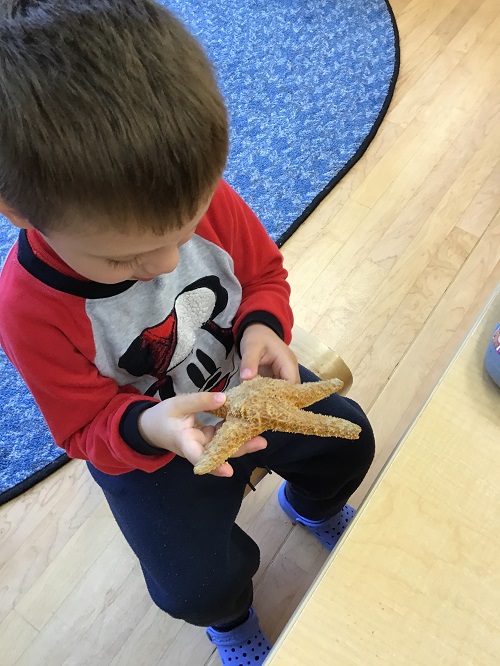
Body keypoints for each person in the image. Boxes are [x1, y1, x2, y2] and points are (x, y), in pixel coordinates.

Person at [0, 1, 375, 663]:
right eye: (125, 259)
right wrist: (153, 426)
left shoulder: (193, 197)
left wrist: (263, 327)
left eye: (187, 228)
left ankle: (312, 510)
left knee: (350, 443)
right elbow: (81, 426)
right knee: (194, 584)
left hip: (248, 385)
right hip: (153, 447)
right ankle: (228, 622)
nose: (170, 263)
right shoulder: (28, 309)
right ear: (19, 212)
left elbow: (262, 274)